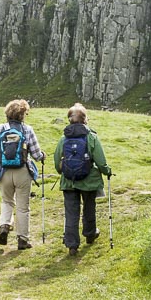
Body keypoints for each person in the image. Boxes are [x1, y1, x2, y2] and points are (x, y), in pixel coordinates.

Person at [54, 103, 111, 255]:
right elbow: (100, 161)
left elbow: (57, 160)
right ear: (85, 119)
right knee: (89, 207)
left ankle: (72, 244)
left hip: (69, 181)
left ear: (69, 120)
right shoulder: (91, 137)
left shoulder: (63, 138)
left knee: (71, 212)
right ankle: (90, 234)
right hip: (89, 181)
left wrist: (63, 171)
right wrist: (107, 171)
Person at [0, 99, 46, 250]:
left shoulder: (0, 128)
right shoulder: (27, 129)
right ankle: (22, 239)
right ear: (22, 115)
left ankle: (4, 226)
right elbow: (36, 154)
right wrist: (42, 156)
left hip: (4, 172)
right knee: (22, 207)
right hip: (22, 172)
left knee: (7, 201)